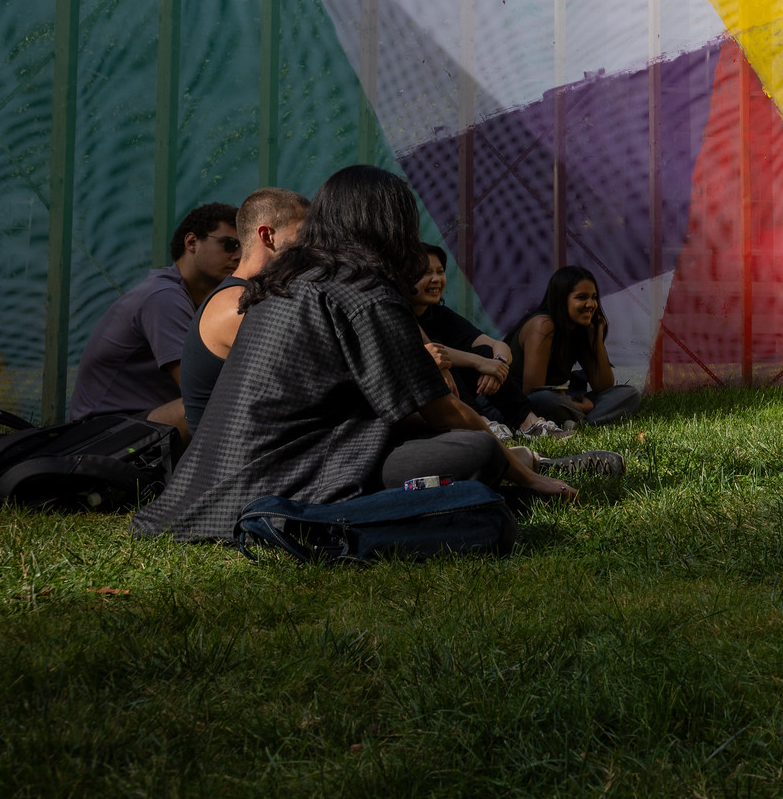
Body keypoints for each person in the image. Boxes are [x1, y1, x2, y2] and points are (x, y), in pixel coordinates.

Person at [131, 167, 575, 543]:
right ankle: (518, 466)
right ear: (389, 227)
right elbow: (443, 412)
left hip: (204, 490)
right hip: (291, 481)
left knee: (447, 446)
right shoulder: (363, 291)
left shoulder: (285, 281)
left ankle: (502, 468)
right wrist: (526, 478)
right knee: (475, 448)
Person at [70, 202, 239, 439]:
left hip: (134, 422)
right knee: (209, 406)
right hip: (100, 435)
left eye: (243, 247)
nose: (239, 255)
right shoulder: (164, 297)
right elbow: (196, 385)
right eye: (229, 244)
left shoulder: (190, 298)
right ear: (191, 242)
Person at [179, 189, 308, 433]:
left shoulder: (250, 295)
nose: (312, 246)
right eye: (304, 234)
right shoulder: (238, 305)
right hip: (233, 464)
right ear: (267, 236)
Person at [494, 267, 642, 429]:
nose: (591, 304)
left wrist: (595, 337)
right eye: (581, 297)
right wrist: (585, 407)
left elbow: (604, 386)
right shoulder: (543, 325)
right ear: (561, 299)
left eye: (594, 297)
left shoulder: (580, 328)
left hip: (559, 401)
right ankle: (585, 422)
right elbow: (532, 394)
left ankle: (574, 423)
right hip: (516, 407)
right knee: (547, 400)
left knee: (629, 394)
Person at [411, 245, 515, 411]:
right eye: (426, 272)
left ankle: (529, 423)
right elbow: (431, 351)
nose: (436, 279)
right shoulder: (397, 314)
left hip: (478, 396)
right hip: (421, 407)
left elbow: (498, 346)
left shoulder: (439, 314)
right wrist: (480, 363)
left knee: (487, 352)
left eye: (440, 271)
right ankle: (481, 423)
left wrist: (496, 364)